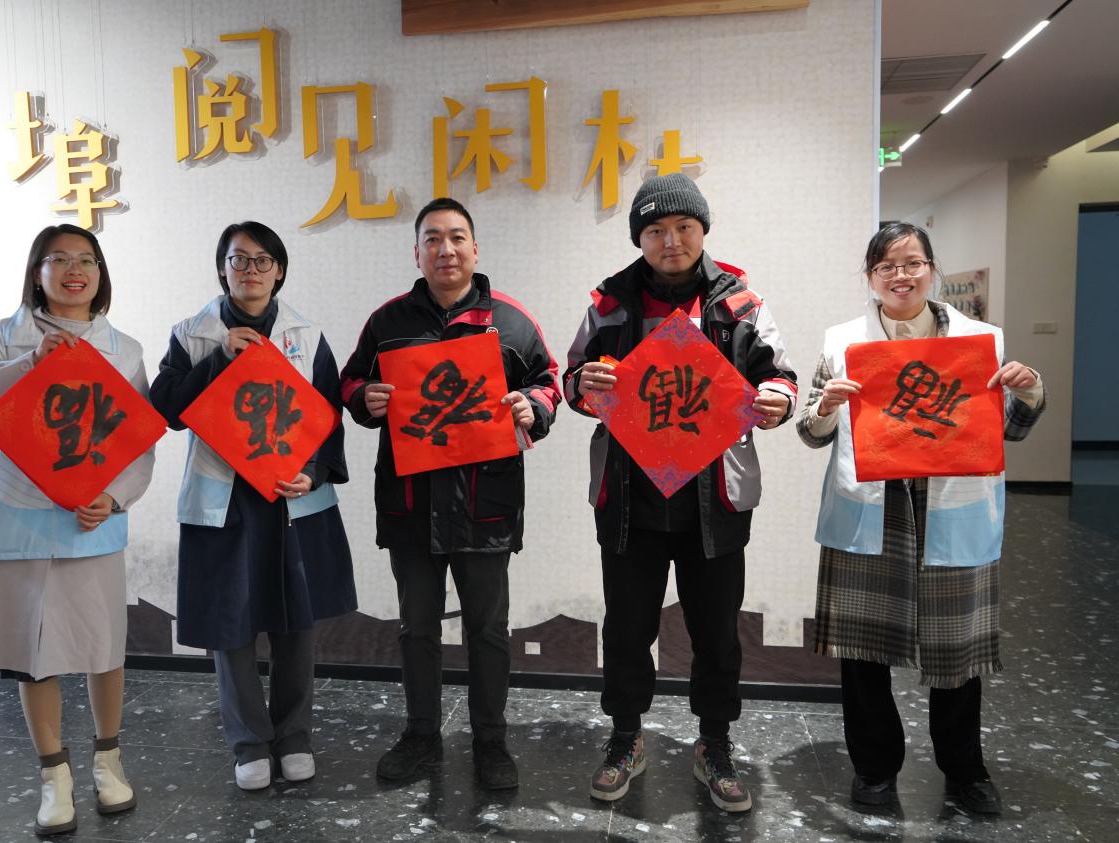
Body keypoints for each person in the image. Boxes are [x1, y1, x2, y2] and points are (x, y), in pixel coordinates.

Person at [565, 174, 797, 811]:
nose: (671, 241)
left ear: (703, 230)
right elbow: (573, 380)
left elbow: (778, 375)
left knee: (717, 633)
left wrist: (777, 398)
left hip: (713, 499)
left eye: (684, 227)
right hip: (629, 498)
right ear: (639, 239)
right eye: (655, 230)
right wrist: (584, 386)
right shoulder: (609, 304)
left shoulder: (740, 302)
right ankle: (625, 738)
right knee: (626, 629)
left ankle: (714, 744)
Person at [796, 221, 1044, 815]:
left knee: (956, 653)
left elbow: (1008, 431)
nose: (900, 275)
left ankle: (965, 771)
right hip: (871, 509)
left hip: (951, 507)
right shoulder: (843, 342)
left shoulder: (980, 341)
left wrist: (1030, 392)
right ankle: (874, 770)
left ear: (932, 270)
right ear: (870, 277)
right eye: (886, 266)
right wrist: (826, 406)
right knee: (864, 653)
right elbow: (810, 431)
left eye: (912, 263)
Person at [339, 197, 560, 790]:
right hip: (411, 504)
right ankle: (420, 734)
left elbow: (549, 382)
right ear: (416, 252)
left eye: (457, 237)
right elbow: (351, 380)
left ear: (475, 249)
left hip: (485, 505)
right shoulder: (388, 322)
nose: (446, 249)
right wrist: (364, 399)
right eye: (433, 239)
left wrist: (532, 407)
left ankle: (491, 740)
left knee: (488, 630)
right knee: (417, 629)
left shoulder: (510, 321)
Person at [0, 224, 153, 836]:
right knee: (33, 654)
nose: (73, 270)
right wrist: (29, 363)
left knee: (102, 646)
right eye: (57, 259)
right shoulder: (3, 337)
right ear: (37, 272)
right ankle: (53, 775)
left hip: (89, 522)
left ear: (100, 274)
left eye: (86, 260)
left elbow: (138, 440)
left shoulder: (123, 348)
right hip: (17, 518)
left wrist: (114, 497)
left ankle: (109, 761)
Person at [149, 221, 355, 792]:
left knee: (297, 623)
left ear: (279, 270)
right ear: (223, 269)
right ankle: (248, 742)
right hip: (224, 500)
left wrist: (315, 471)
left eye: (263, 260)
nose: (251, 270)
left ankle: (294, 737)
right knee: (230, 624)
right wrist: (218, 358)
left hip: (290, 496)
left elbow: (329, 414)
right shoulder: (193, 334)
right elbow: (166, 409)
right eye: (238, 260)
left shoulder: (305, 334)